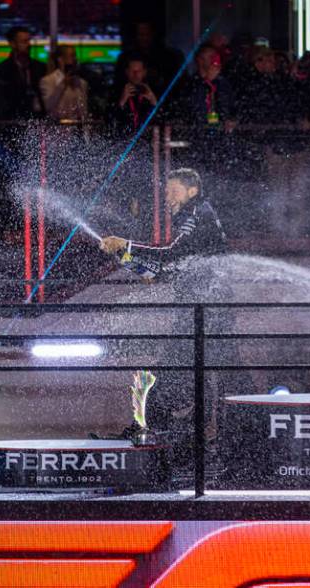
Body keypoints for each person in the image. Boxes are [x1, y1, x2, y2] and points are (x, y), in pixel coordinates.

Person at [99, 169, 228, 467]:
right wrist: (137, 265)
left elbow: (172, 252)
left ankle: (154, 434)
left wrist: (125, 245)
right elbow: (180, 263)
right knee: (190, 375)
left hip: (205, 312)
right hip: (201, 309)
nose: (168, 196)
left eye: (174, 191)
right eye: (167, 191)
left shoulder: (195, 212)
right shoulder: (195, 212)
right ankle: (164, 433)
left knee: (173, 374)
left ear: (192, 191)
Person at [0, 26, 46, 120]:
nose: (28, 44)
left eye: (28, 40)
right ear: (12, 44)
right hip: (12, 121)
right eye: (24, 41)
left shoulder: (40, 67)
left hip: (37, 120)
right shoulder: (1, 69)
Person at [39, 45, 89, 122]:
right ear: (60, 60)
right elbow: (47, 106)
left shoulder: (81, 83)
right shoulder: (48, 81)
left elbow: (84, 112)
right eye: (71, 56)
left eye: (75, 56)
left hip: (77, 129)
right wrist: (62, 85)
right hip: (57, 128)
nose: (75, 59)